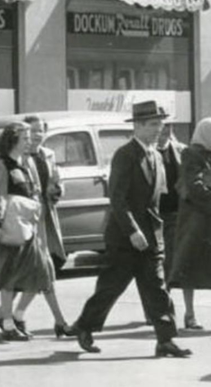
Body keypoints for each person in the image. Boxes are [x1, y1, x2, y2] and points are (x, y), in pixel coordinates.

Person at [72, 101, 191, 358]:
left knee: (158, 289)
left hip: (151, 236)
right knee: (112, 286)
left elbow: (157, 200)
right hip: (126, 238)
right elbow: (117, 199)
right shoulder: (125, 155)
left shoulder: (156, 155)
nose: (158, 129)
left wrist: (156, 232)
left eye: (160, 124)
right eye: (152, 124)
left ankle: (166, 340)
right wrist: (133, 231)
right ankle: (84, 325)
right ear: (137, 126)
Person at [0, 122, 54, 341]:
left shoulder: (27, 163)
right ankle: (8, 324)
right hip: (10, 229)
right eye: (25, 138)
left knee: (40, 276)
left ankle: (17, 315)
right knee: (9, 278)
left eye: (30, 138)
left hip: (28, 227)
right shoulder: (2, 166)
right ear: (13, 141)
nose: (29, 142)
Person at [23, 115, 75, 338]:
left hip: (47, 216)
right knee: (43, 270)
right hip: (27, 220)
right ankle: (59, 321)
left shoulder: (48, 155)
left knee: (40, 270)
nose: (37, 135)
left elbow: (56, 180)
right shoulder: (20, 157)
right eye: (33, 131)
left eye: (40, 131)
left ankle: (9, 314)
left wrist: (57, 189)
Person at [169, 117, 211, 330]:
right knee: (189, 268)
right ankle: (189, 313)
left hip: (206, 219)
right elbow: (194, 188)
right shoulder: (191, 155)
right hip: (195, 220)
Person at [156, 123, 185, 282]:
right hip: (154, 214)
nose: (166, 129)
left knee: (172, 260)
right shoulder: (148, 152)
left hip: (175, 213)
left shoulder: (181, 150)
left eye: (169, 125)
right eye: (162, 126)